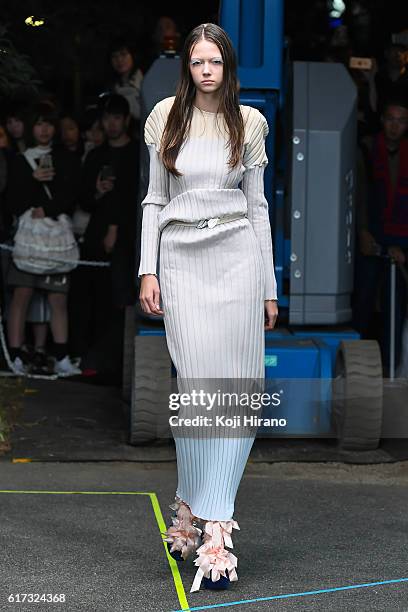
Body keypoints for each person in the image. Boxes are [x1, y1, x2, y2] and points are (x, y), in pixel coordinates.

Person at [138, 23, 278, 592]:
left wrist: (269, 285)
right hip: (182, 262)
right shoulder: (164, 117)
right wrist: (147, 267)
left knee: (238, 393)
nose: (206, 70)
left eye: (214, 61)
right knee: (198, 393)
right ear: (186, 67)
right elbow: (153, 197)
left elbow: (259, 206)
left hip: (238, 258)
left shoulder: (248, 123)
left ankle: (215, 526)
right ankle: (192, 508)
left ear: (228, 66)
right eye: (197, 61)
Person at [5, 101, 81, 376]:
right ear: (30, 127)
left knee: (58, 298)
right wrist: (32, 179)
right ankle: (15, 356)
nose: (44, 129)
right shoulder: (19, 160)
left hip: (57, 237)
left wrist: (48, 208)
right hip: (27, 237)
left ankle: (61, 356)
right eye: (38, 123)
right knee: (21, 294)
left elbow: (73, 194)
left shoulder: (66, 158)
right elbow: (11, 200)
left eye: (48, 123)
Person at [69, 93, 139, 375]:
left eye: (116, 118)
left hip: (126, 240)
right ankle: (87, 360)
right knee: (88, 298)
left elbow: (134, 197)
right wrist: (98, 191)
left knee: (118, 302)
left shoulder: (136, 154)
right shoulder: (96, 155)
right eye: (107, 118)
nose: (111, 124)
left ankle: (112, 366)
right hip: (94, 237)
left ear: (125, 120)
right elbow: (83, 198)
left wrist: (116, 229)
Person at [352, 94, 408, 373]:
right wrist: (362, 231)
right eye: (390, 119)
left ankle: (390, 367)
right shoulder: (367, 149)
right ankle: (356, 366)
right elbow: (359, 194)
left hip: (402, 241)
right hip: (371, 235)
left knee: (394, 307)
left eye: (401, 121)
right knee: (363, 300)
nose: (395, 126)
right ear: (383, 121)